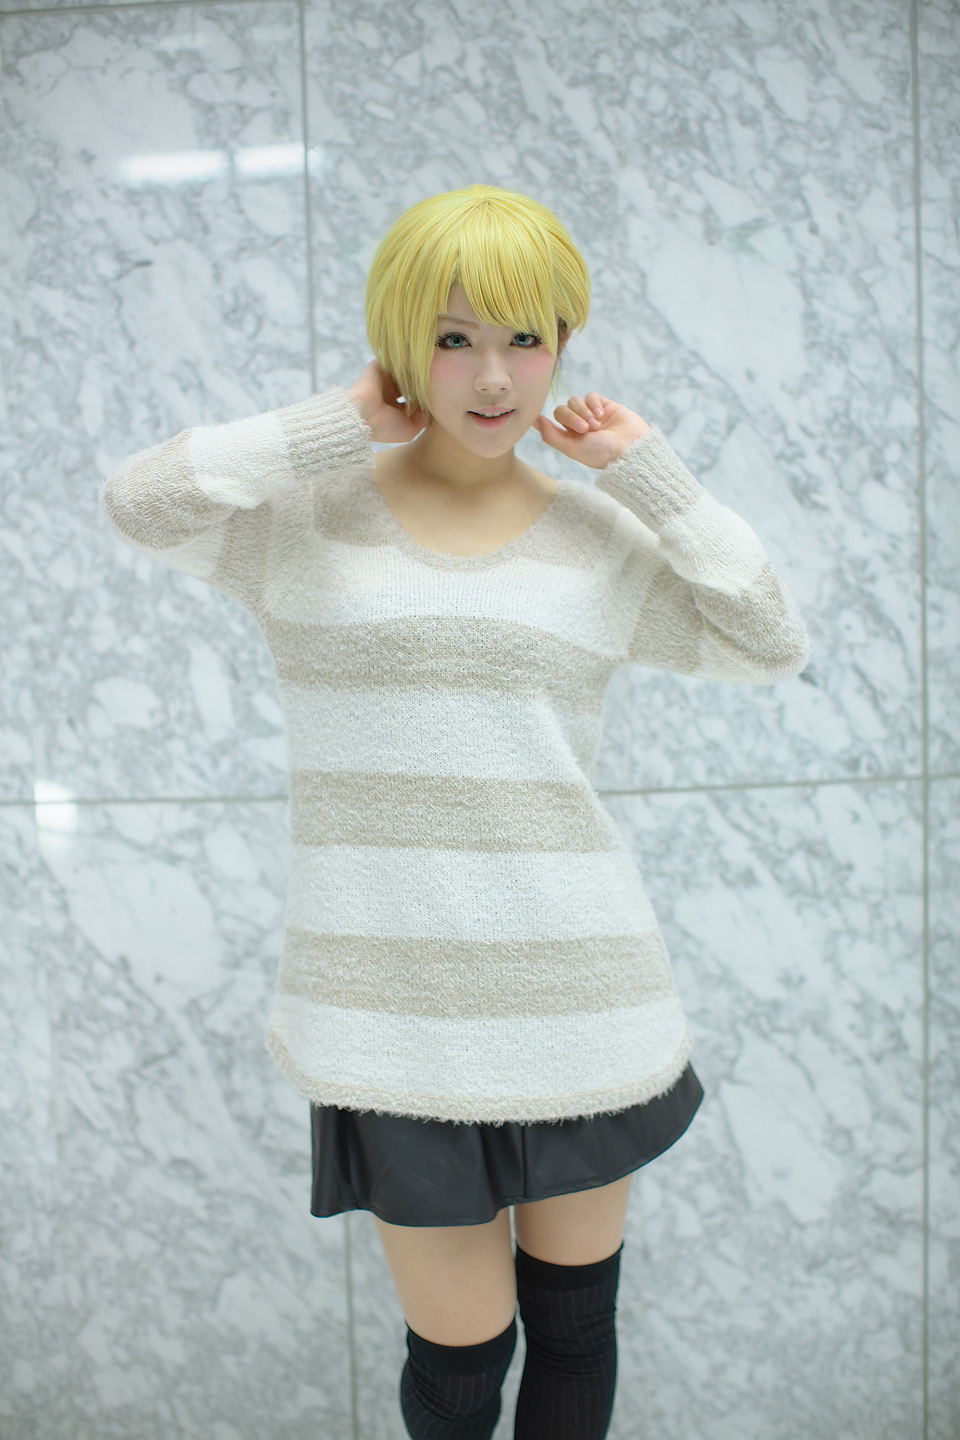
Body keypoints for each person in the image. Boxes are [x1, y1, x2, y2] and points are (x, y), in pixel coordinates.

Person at [100, 184, 810, 1439]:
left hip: (581, 1001)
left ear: (564, 344)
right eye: (451, 338)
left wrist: (650, 476)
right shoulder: (308, 525)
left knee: (576, 1329)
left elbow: (767, 637)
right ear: (398, 345)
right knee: (460, 1363)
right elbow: (141, 501)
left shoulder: (595, 540)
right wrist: (334, 426)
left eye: (526, 338)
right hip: (394, 1020)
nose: (492, 377)